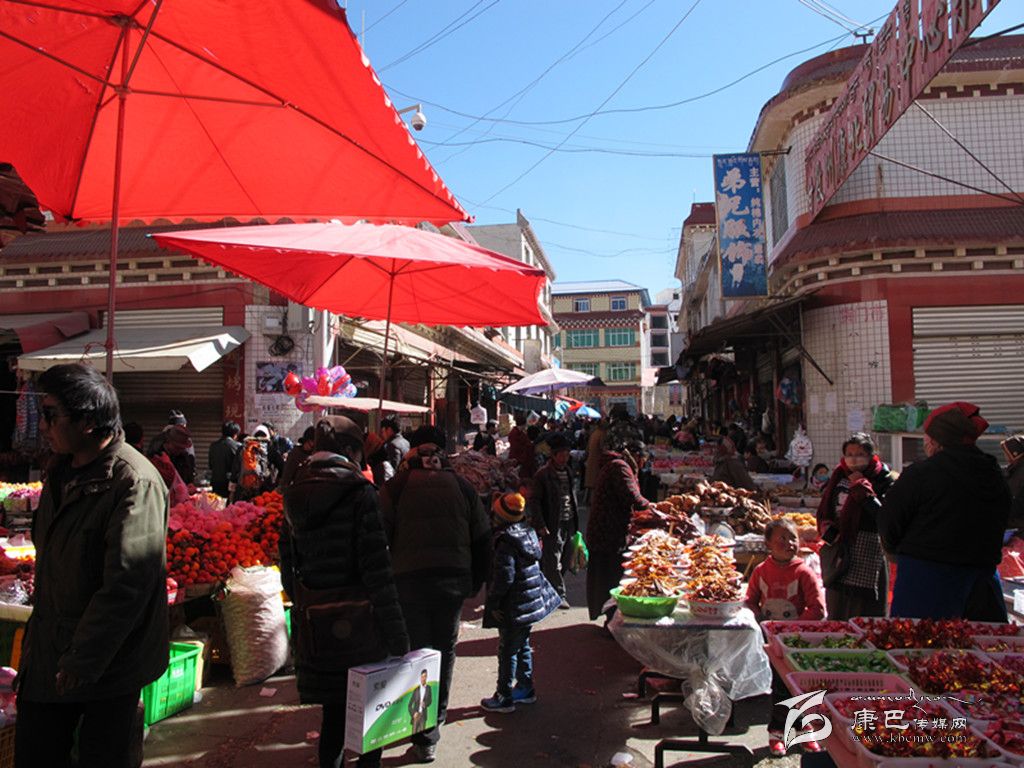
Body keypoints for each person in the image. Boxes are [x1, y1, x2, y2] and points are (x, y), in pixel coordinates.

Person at [17, 364, 169, 768]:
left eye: (51, 415)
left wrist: (83, 658)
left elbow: (127, 583)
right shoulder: (60, 471)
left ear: (87, 421)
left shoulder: (134, 482)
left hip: (108, 663)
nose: (43, 426)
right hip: (50, 651)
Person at [280, 416, 409, 768]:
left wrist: (311, 600)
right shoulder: (360, 493)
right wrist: (397, 636)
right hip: (360, 624)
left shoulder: (293, 492)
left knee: (333, 716)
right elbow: (377, 572)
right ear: (351, 451)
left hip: (317, 626)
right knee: (371, 713)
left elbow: (288, 567)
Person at [380, 426, 492, 763]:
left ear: (413, 451)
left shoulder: (396, 487)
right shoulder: (462, 486)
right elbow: (482, 537)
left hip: (409, 583)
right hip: (452, 583)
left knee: (417, 653)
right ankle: (433, 724)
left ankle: (422, 731)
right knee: (444, 652)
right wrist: (476, 580)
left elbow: (379, 535)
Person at [881, 402, 1011, 621]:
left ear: (935, 441)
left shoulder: (921, 475)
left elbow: (888, 522)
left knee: (921, 642)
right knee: (980, 641)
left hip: (926, 582)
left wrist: (897, 550)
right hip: (982, 581)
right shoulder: (994, 473)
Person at [745, 518, 825, 756]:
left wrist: (793, 627)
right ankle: (777, 733)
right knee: (779, 688)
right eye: (782, 538)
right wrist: (761, 620)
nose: (789, 543)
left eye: (793, 538)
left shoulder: (804, 572)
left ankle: (804, 730)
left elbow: (817, 608)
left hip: (797, 643)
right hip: (772, 644)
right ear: (768, 544)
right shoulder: (761, 571)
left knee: (801, 688)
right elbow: (750, 600)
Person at [480, 493, 561, 712]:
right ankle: (525, 687)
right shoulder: (528, 533)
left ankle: (504, 695)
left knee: (507, 650)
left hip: (514, 604)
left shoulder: (505, 541)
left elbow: (504, 578)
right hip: (529, 603)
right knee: (522, 644)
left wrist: (494, 602)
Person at [815, 432, 896, 620]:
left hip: (868, 553)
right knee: (838, 609)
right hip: (840, 552)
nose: (853, 459)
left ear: (871, 455)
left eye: (860, 454)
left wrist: (863, 490)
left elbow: (885, 517)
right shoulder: (838, 476)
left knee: (865, 613)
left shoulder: (884, 479)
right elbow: (826, 510)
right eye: (849, 454)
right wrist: (827, 527)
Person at [586, 436, 652, 622]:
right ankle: (611, 619)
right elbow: (633, 497)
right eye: (643, 460)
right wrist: (655, 508)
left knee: (607, 576)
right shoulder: (620, 468)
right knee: (610, 577)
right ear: (637, 456)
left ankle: (611, 617)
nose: (643, 464)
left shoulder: (619, 465)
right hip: (608, 532)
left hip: (607, 530)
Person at [529, 434, 578, 609]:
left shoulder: (568, 472)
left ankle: (548, 587)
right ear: (554, 455)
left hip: (568, 521)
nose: (565, 458)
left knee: (566, 557)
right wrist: (541, 524)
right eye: (562, 454)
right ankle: (558, 594)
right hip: (552, 523)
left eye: (567, 454)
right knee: (553, 559)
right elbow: (534, 501)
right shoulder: (543, 475)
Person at [209, 421, 241, 497]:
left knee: (217, 502)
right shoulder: (237, 446)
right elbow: (238, 467)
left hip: (215, 482)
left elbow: (210, 465)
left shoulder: (213, 446)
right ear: (235, 434)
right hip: (230, 483)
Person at [279, 425, 315, 489]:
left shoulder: (315, 454)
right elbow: (286, 476)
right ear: (306, 441)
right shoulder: (295, 454)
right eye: (311, 443)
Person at [583, 418, 608, 498]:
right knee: (596, 484)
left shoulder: (594, 433)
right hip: (597, 462)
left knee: (591, 484)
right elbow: (603, 448)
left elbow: (587, 449)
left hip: (591, 461)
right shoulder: (602, 434)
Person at [1003, 435, 1024, 528]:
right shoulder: (1013, 469)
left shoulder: (1020, 472)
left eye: (1006, 453)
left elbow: (1018, 500)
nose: (1005, 456)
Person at [508, 413, 536, 480]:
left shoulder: (521, 433)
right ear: (523, 424)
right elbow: (516, 447)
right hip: (518, 459)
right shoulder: (514, 433)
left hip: (523, 459)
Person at [408, 669, 432, 735]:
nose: (423, 678)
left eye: (425, 676)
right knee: (414, 733)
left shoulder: (429, 688)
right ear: (420, 677)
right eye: (422, 676)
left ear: (427, 677)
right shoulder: (416, 690)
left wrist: (425, 704)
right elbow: (409, 705)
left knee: (422, 734)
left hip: (423, 715)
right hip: (416, 715)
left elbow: (430, 701)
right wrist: (413, 713)